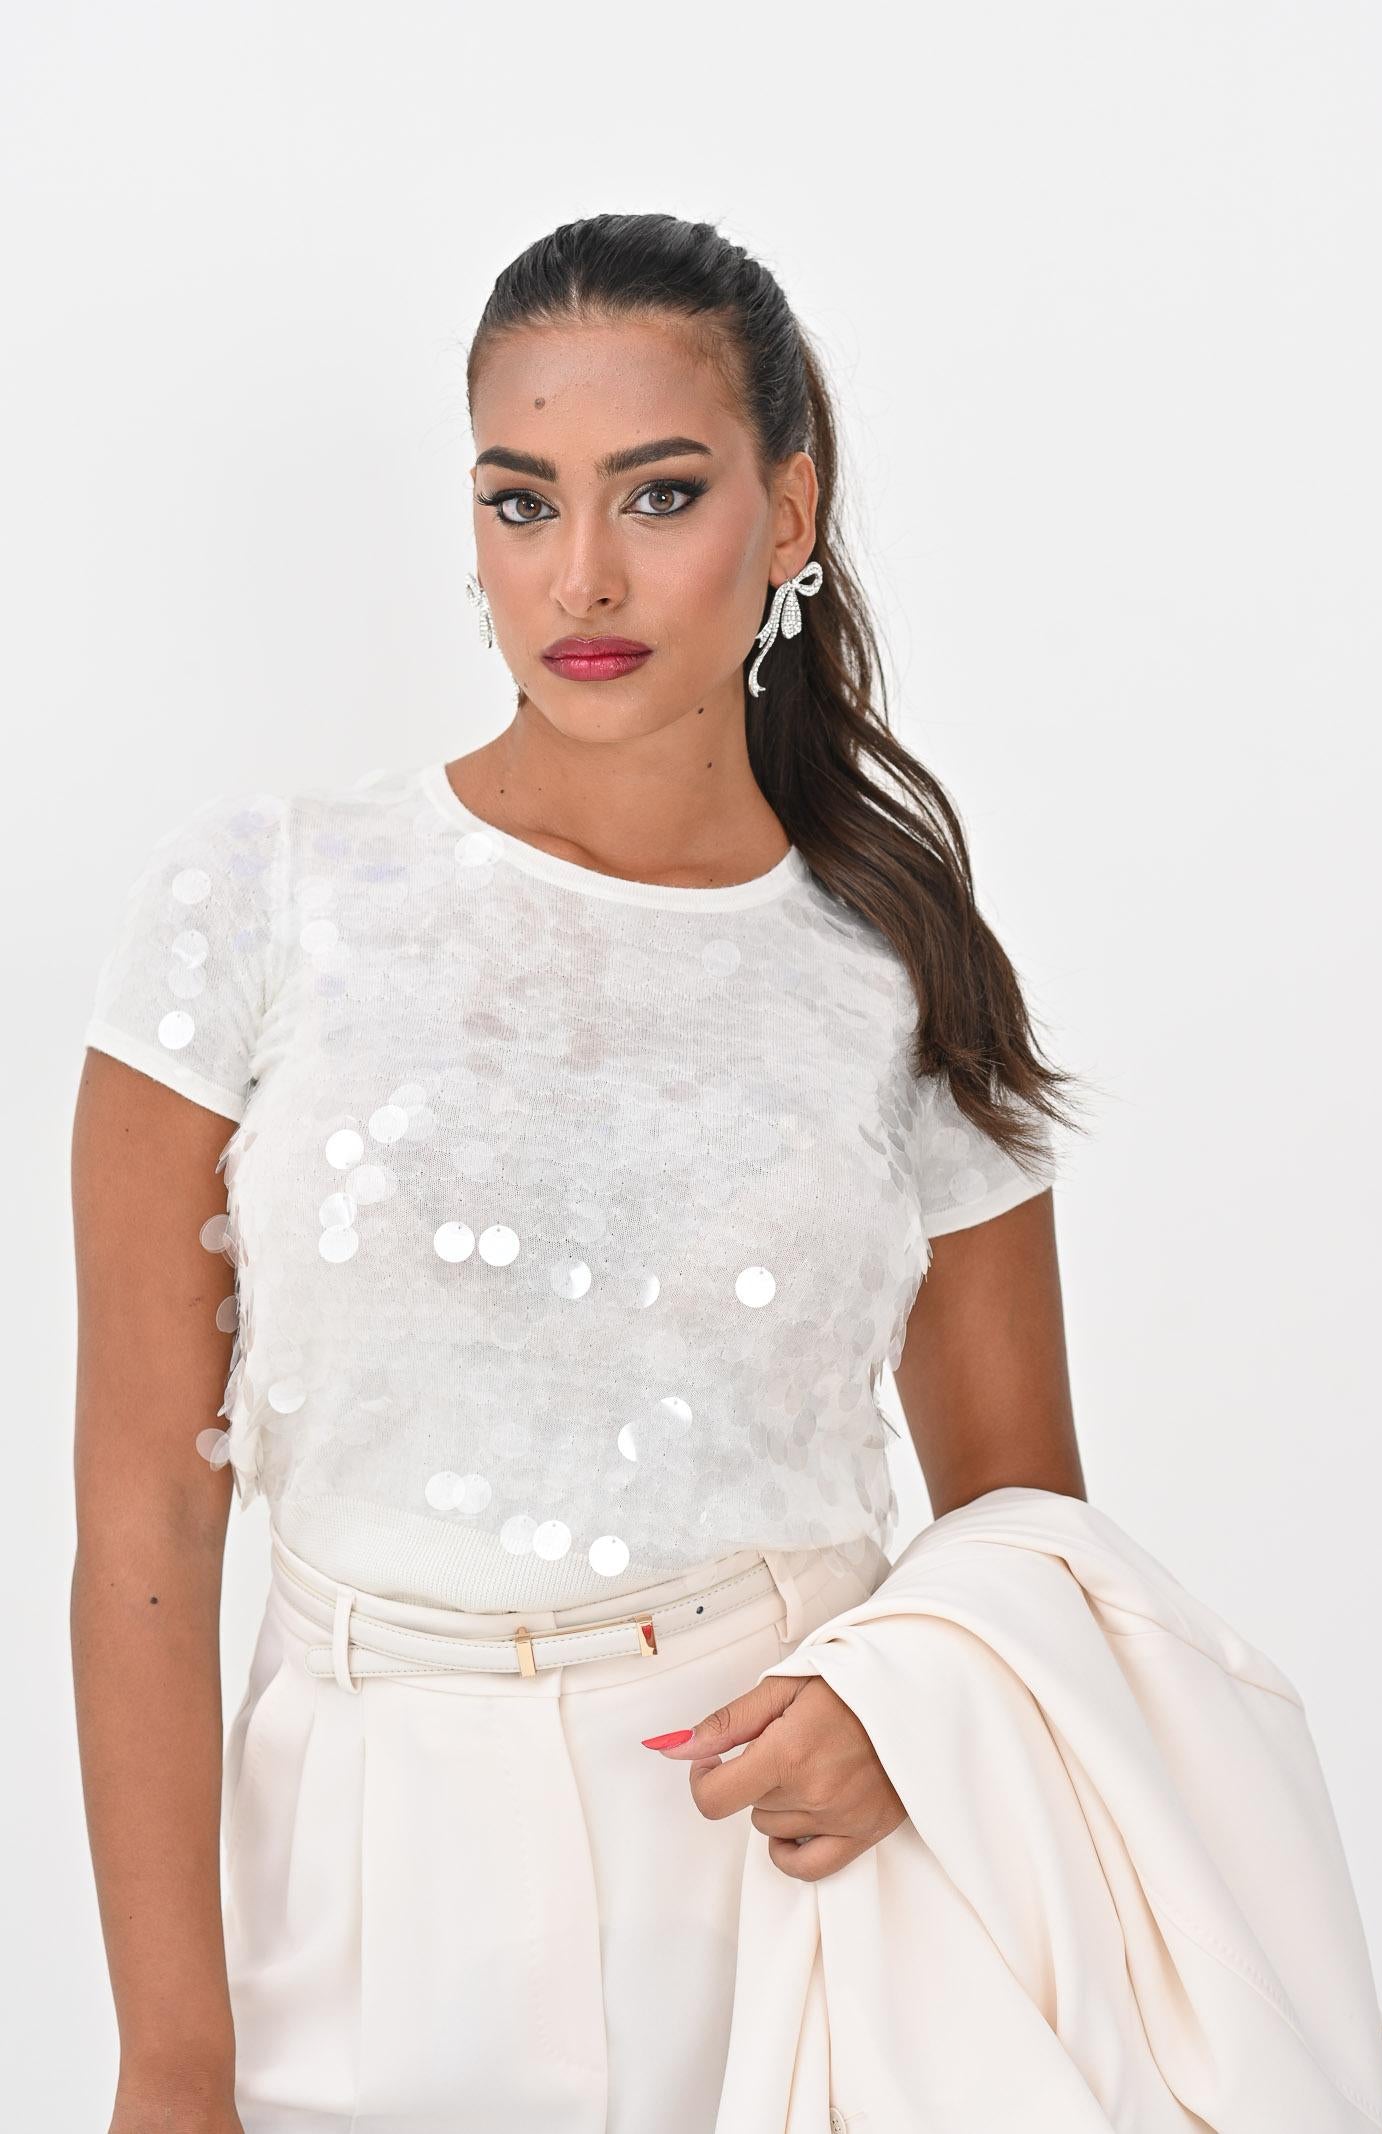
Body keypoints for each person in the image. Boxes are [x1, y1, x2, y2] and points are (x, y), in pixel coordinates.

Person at [70, 210, 1087, 2134]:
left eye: (662, 493)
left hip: (778, 1864)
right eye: (522, 502)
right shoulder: (265, 900)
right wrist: (172, 2059)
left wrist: (910, 1717)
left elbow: (1023, 1511)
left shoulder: (892, 973)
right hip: (343, 1864)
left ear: (789, 515)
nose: (584, 575)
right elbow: (145, 1516)